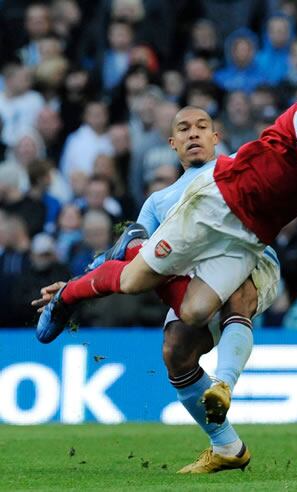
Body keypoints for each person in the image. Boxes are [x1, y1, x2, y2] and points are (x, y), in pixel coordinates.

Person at [37, 33, 297, 452]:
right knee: (137, 281)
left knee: (197, 309)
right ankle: (71, 294)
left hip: (251, 235)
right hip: (218, 206)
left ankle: (226, 417)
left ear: (218, 135)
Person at [33, 110, 281, 473]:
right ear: (172, 143)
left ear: (217, 137)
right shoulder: (157, 201)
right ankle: (227, 445)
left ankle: (224, 383)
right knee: (175, 352)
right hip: (191, 275)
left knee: (236, 294)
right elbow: (130, 252)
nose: (193, 134)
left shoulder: (235, 167)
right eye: (183, 129)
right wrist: (82, 276)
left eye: (201, 128)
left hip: (246, 258)